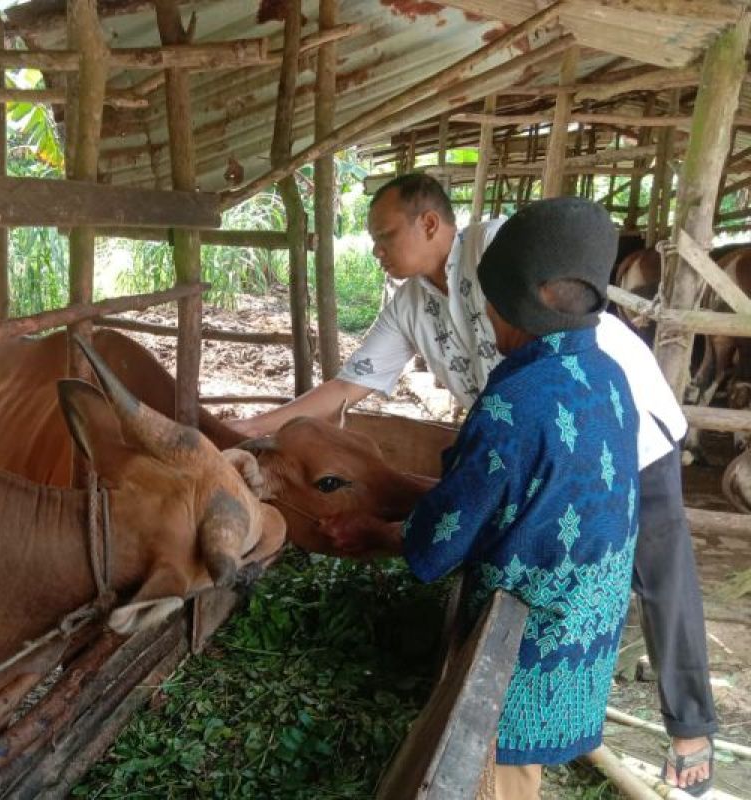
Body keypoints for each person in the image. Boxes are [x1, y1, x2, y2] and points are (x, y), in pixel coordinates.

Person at [230, 175, 718, 795]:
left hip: (613, 427)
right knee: (580, 560)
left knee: (660, 567)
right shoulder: (412, 306)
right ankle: (567, 711)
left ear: (431, 225)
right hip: (552, 417)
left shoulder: (505, 250)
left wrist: (392, 539)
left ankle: (691, 729)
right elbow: (349, 387)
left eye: (384, 235)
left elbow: (439, 543)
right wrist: (249, 427)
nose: (377, 249)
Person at [325, 197, 640, 798]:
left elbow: (445, 537)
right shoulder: (607, 376)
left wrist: (380, 536)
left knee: (495, 778)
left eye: (491, 302)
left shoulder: (514, 404)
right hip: (589, 624)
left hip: (527, 648)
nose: (487, 319)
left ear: (515, 303)